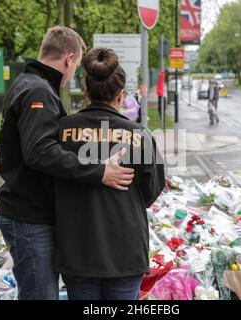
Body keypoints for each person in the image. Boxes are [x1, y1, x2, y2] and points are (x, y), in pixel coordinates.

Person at [0, 27, 134, 300]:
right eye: (75, 65)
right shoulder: (38, 90)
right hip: (29, 215)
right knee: (40, 295)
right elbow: (39, 151)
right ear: (69, 59)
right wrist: (99, 171)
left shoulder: (31, 83)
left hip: (29, 211)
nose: (72, 74)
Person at [54, 48, 166, 300]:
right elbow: (151, 191)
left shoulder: (61, 131)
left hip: (77, 247)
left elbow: (49, 179)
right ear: (121, 94)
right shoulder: (139, 135)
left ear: (86, 91)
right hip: (124, 248)